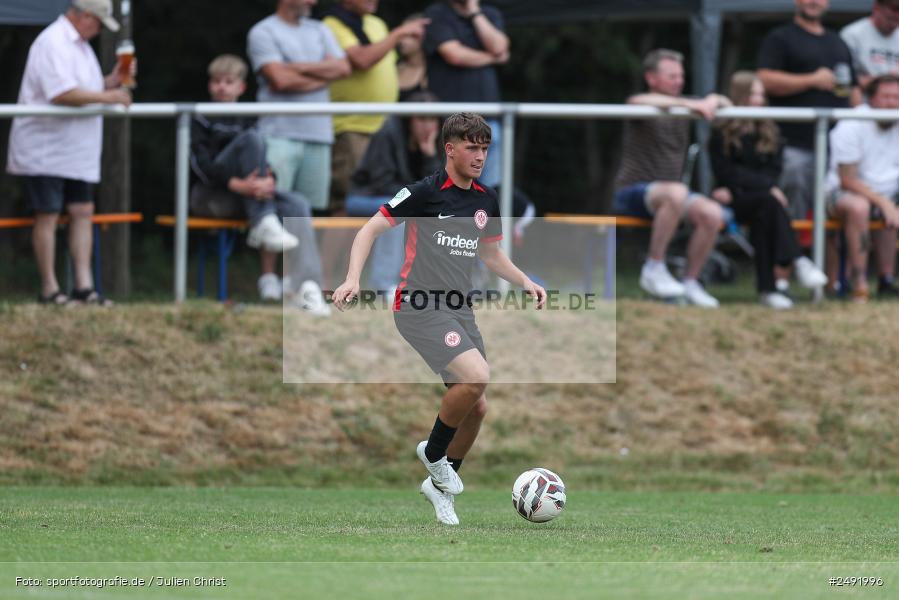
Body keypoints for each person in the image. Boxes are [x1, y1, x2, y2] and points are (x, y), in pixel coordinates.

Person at [332, 113, 546, 525]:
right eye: (471, 147)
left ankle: (441, 487)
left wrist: (525, 281)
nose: (480, 155)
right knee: (476, 377)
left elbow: (490, 254)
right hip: (417, 305)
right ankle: (433, 453)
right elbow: (368, 231)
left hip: (458, 307)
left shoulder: (486, 199)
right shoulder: (424, 193)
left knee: (477, 406)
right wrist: (352, 279)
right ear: (450, 149)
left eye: (484, 148)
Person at [6, 0, 130, 306]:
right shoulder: (53, 41)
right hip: (46, 148)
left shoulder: (81, 46)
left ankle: (83, 287)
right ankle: (50, 289)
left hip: (77, 150)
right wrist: (109, 95)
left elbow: (81, 87)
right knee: (47, 215)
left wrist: (110, 81)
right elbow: (61, 93)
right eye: (99, 23)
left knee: (82, 212)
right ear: (85, 16)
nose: (100, 30)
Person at [190, 54, 330, 314]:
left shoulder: (250, 118)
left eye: (228, 81)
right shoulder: (199, 117)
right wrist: (238, 185)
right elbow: (200, 166)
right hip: (212, 197)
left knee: (298, 203)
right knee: (252, 140)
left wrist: (269, 180)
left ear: (240, 87)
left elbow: (263, 160)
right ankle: (264, 219)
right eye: (217, 81)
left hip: (249, 197)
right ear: (210, 85)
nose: (222, 87)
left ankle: (308, 287)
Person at [612, 48, 729, 309]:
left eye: (681, 76)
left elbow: (725, 102)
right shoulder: (651, 104)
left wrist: (712, 99)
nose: (678, 81)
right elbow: (634, 102)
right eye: (671, 76)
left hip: (671, 195)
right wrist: (691, 105)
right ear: (651, 78)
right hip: (632, 192)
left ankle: (690, 281)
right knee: (676, 192)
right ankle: (654, 267)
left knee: (712, 213)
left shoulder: (685, 105)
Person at [709, 71, 828, 309]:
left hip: (756, 198)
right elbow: (727, 172)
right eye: (754, 93)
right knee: (769, 203)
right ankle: (798, 260)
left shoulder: (770, 129)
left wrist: (764, 187)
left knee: (766, 211)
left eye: (761, 94)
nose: (759, 99)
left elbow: (774, 170)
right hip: (732, 200)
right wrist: (767, 187)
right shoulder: (721, 130)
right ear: (741, 94)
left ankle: (769, 289)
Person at [322, 0, 429, 215]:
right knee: (348, 203)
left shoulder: (377, 24)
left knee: (382, 202)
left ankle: (364, 250)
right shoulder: (331, 25)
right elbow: (362, 60)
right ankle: (330, 251)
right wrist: (398, 34)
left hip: (385, 130)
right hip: (352, 127)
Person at [757, 0, 859, 221]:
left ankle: (826, 256)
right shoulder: (780, 37)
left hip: (838, 147)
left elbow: (853, 89)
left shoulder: (838, 42)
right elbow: (765, 79)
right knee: (794, 201)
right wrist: (812, 80)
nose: (814, 2)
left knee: (838, 208)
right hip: (794, 142)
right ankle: (793, 253)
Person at [247, 0, 351, 215]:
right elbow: (280, 80)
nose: (313, 2)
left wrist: (295, 66)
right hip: (278, 135)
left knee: (308, 214)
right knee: (272, 208)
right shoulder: (263, 31)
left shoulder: (320, 29)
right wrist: (324, 74)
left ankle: (299, 252)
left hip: (319, 134)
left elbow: (343, 68)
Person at [346, 90, 443, 292]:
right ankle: (384, 286)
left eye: (433, 119)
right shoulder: (388, 133)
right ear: (410, 119)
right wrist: (416, 200)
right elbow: (380, 182)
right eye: (422, 119)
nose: (428, 125)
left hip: (403, 200)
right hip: (366, 197)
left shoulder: (436, 141)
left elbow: (438, 187)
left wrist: (430, 156)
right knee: (399, 214)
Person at [825, 74, 899, 302]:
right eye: (886, 97)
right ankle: (859, 285)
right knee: (860, 207)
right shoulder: (852, 123)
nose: (892, 103)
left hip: (888, 193)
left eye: (897, 97)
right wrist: (884, 203)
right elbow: (847, 179)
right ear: (871, 99)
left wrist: (888, 202)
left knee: (881, 205)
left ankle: (886, 279)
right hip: (843, 192)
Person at [423, 0, 509, 188]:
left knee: (489, 192)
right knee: (451, 190)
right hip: (451, 124)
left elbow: (499, 46)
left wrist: (474, 12)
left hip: (489, 122)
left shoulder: (489, 13)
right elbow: (454, 55)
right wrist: (493, 58)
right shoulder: (436, 13)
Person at [841, 0, 899, 94]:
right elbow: (843, 81)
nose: (897, 15)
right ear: (877, 7)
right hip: (863, 106)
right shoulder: (852, 35)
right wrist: (886, 78)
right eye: (894, 9)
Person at [397, 13, 430, 101]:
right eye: (402, 35)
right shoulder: (393, 68)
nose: (402, 40)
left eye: (411, 35)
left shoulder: (436, 72)